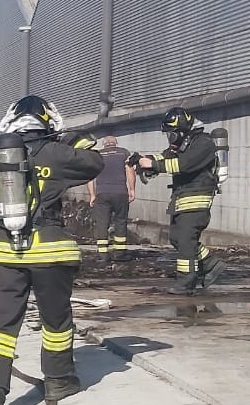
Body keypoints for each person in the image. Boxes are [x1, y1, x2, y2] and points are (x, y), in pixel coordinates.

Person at [0, 95, 103, 405]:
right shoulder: (57, 154)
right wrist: (74, 138)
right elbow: (94, 162)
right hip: (49, 252)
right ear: (47, 122)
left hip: (3, 252)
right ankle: (59, 380)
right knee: (55, 319)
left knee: (0, 325)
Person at [133, 107, 223, 294]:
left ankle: (186, 283)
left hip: (196, 201)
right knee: (176, 238)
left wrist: (154, 165)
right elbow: (164, 157)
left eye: (172, 135)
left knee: (185, 240)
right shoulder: (183, 144)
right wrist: (143, 159)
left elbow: (183, 165)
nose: (171, 139)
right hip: (182, 199)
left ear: (182, 130)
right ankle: (210, 264)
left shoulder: (204, 144)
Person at [88, 134, 135, 256]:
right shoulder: (123, 153)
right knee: (120, 221)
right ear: (115, 143)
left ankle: (103, 254)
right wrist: (132, 190)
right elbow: (130, 170)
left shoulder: (97, 155)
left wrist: (92, 195)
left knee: (102, 223)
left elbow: (90, 176)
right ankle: (120, 253)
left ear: (104, 144)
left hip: (102, 193)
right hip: (120, 192)